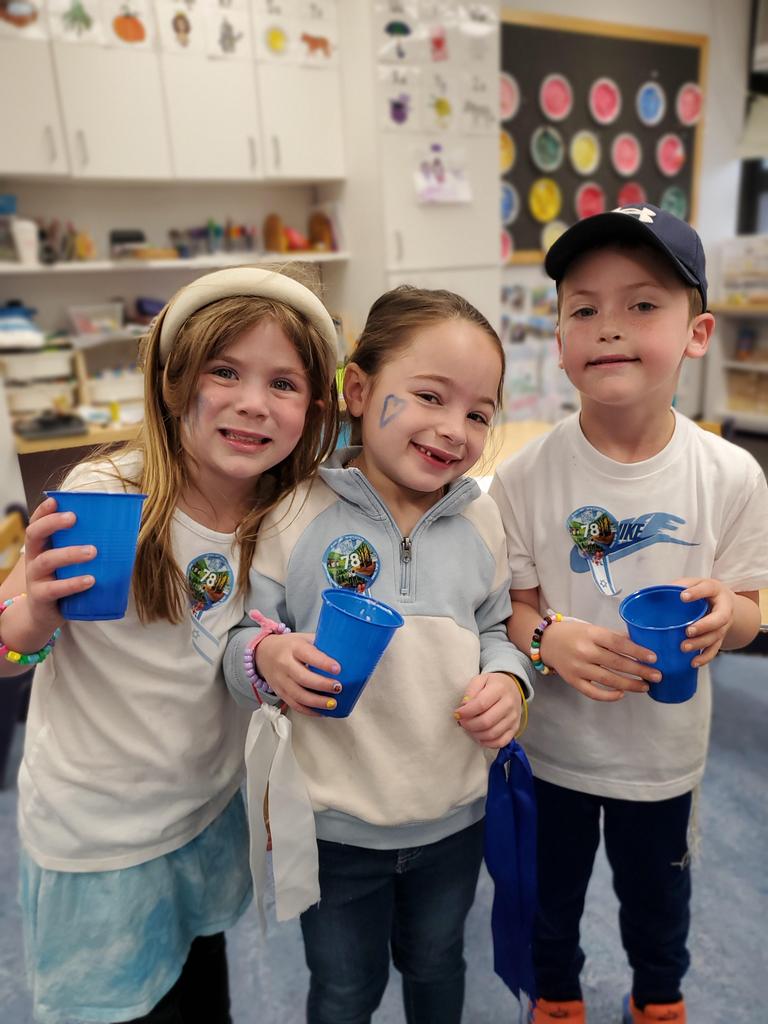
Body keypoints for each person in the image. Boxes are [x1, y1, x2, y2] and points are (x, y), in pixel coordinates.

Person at [0, 266, 339, 1024]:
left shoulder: (288, 514)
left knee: (198, 991)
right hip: (97, 835)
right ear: (174, 381)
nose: (253, 402)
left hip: (205, 813)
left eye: (283, 383)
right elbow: (7, 640)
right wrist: (32, 619)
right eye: (226, 371)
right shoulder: (108, 492)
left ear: (314, 407)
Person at [224, 285, 535, 1024]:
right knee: (343, 990)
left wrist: (509, 679)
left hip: (454, 818)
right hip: (332, 827)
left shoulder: (483, 519)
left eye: (479, 413)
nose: (454, 428)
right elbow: (240, 639)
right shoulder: (293, 513)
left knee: (439, 965)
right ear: (359, 391)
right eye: (429, 396)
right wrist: (267, 659)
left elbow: (497, 628)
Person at [488, 206, 768, 1024]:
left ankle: (658, 998)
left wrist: (727, 616)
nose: (609, 326)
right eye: (584, 308)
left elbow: (751, 613)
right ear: (560, 339)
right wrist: (549, 637)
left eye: (642, 304)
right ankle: (556, 997)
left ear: (697, 332)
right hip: (554, 751)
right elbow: (513, 613)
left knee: (659, 900)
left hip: (664, 755)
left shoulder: (730, 475)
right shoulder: (524, 476)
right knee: (549, 896)